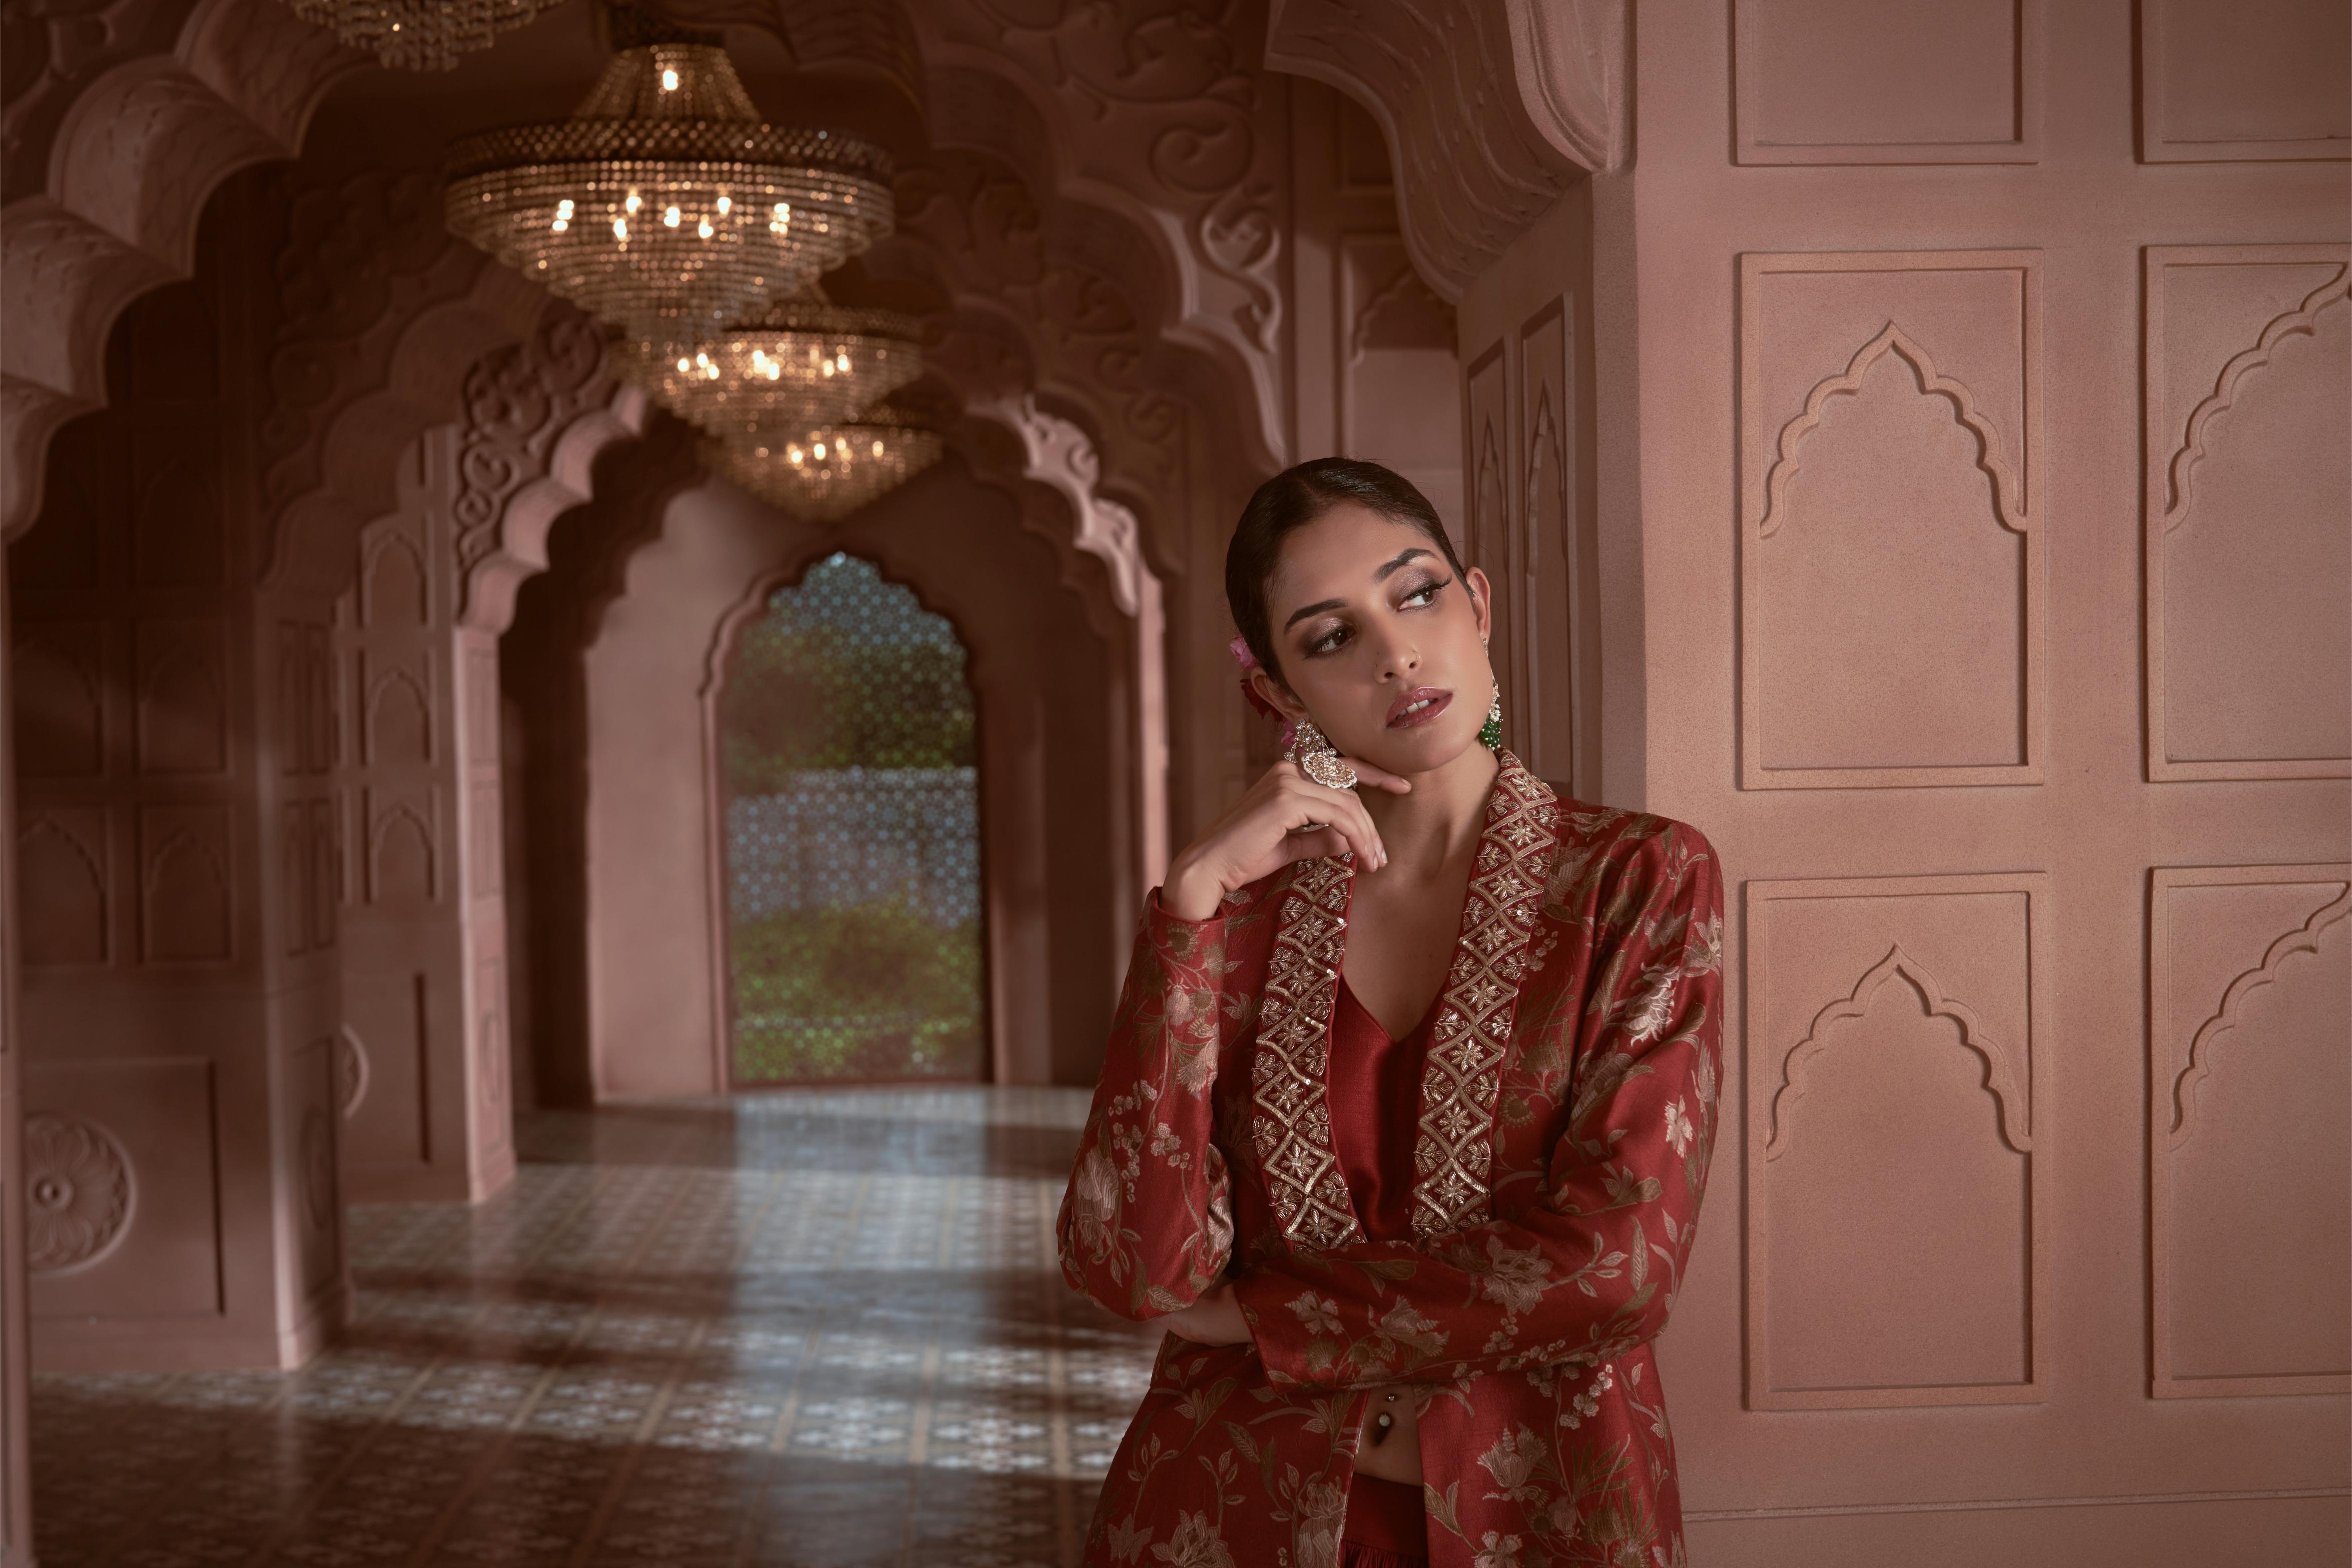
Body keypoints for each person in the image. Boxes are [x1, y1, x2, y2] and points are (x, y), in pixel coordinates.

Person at [1057, 457, 1723, 1568]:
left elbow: (1617, 1267)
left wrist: (1264, 1318)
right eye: (1329, 638)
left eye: (1415, 595)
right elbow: (1134, 1271)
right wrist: (1184, 917)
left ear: (1478, 604)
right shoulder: (1234, 920)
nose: (1394, 653)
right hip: (1233, 1510)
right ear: (1277, 693)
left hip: (1536, 1513)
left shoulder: (1633, 880)